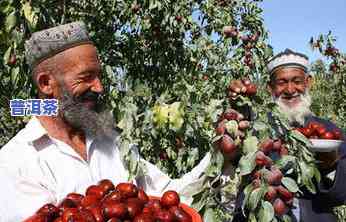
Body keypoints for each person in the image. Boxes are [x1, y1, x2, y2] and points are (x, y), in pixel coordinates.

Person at [0, 22, 211, 221]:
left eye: (98, 76)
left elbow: (170, 200)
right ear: (46, 84)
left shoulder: (113, 142)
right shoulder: (16, 164)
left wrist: (221, 157)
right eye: (86, 77)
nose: (99, 87)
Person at [229, 49, 346, 222]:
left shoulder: (328, 133)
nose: (290, 90)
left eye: (297, 81)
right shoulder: (257, 131)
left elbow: (341, 195)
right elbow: (231, 157)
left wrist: (329, 169)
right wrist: (236, 109)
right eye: (281, 82)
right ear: (270, 87)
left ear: (308, 83)